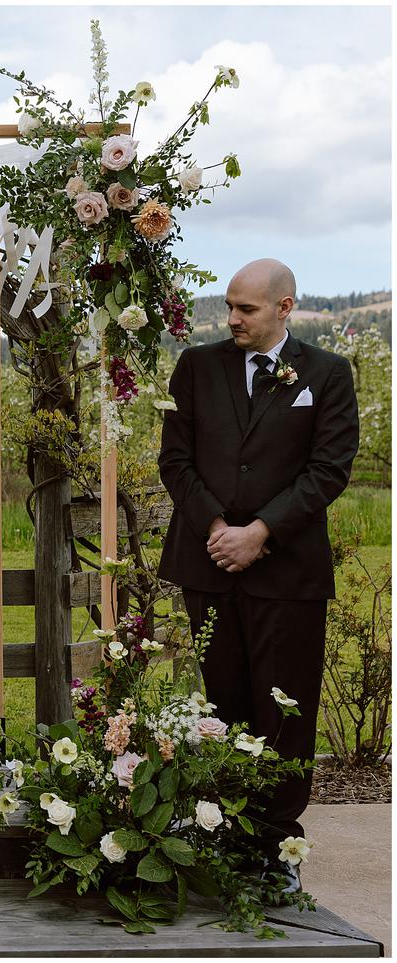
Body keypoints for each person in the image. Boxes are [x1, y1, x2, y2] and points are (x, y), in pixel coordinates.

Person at [157, 258, 359, 891]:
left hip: (287, 572)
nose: (232, 318)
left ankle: (276, 849)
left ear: (285, 308)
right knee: (223, 706)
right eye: (229, 306)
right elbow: (176, 459)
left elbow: (329, 469)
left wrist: (261, 533)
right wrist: (218, 527)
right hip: (210, 564)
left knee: (284, 711)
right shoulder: (196, 367)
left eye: (246, 309)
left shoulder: (326, 374)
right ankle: (224, 837)